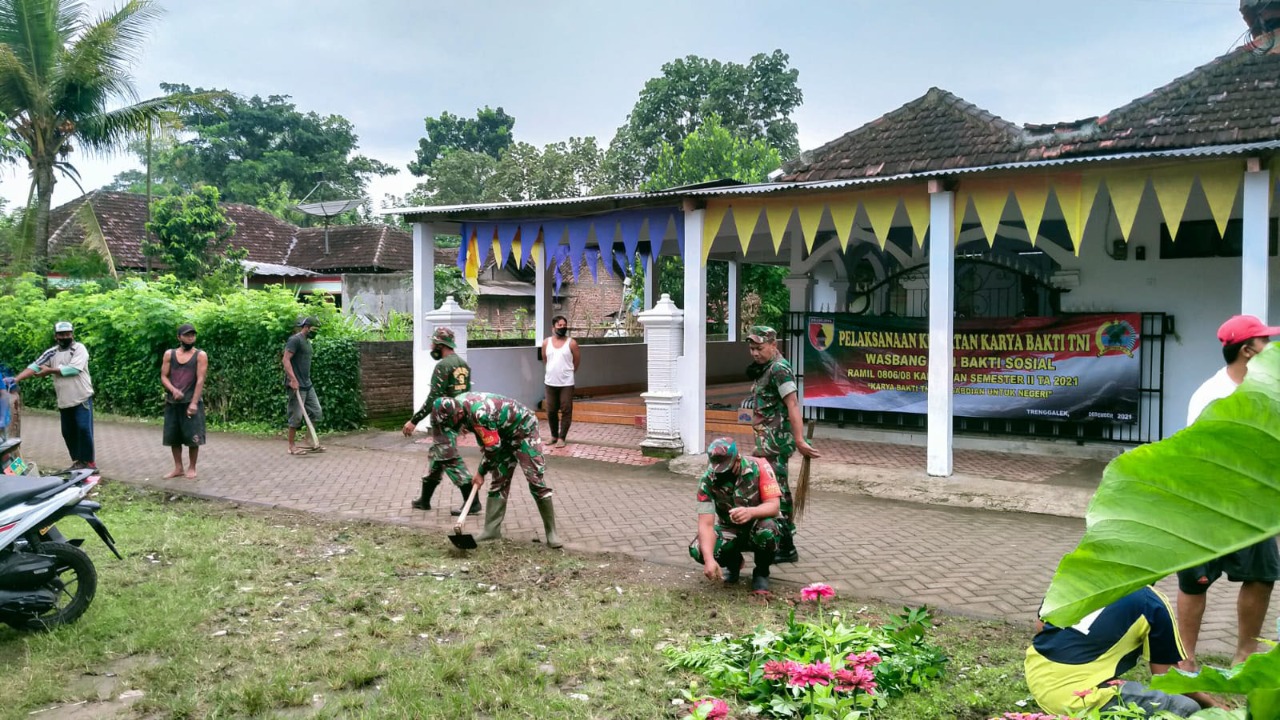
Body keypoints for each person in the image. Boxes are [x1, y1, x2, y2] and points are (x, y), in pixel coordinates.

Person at [1176, 314, 1280, 669]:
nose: (1272, 346)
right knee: (1195, 581)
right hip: (1208, 501)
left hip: (1253, 502)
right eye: (1266, 340)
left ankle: (1244, 653)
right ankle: (1186, 658)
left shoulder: (1268, 388)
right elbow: (1198, 454)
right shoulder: (1213, 394)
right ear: (1249, 350)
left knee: (1262, 575)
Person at [1025, 587, 1225, 717]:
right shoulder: (1151, 602)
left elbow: (1041, 626)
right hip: (1077, 699)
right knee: (1187, 708)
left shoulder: (1078, 575)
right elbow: (1168, 679)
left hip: (1036, 675)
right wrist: (1213, 705)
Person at [430, 392, 562, 548]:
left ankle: (551, 533)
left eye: (451, 423)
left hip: (524, 430)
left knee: (535, 480)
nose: (451, 427)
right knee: (499, 479)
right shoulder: (458, 405)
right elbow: (487, 437)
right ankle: (491, 530)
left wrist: (480, 472)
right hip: (502, 434)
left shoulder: (479, 412)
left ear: (458, 413)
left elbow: (492, 448)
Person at [745, 325, 820, 564]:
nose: (755, 353)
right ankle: (775, 539)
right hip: (765, 440)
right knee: (770, 489)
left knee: (777, 492)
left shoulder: (779, 369)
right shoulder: (765, 367)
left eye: (759, 348)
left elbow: (793, 404)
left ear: (773, 345)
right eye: (751, 348)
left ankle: (786, 545)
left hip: (775, 442)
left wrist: (799, 440)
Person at [690, 438, 783, 594]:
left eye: (726, 467)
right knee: (697, 548)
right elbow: (706, 525)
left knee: (768, 531)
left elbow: (774, 506)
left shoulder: (760, 466)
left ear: (737, 459)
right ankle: (734, 564)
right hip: (730, 529)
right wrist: (709, 559)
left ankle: (761, 572)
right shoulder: (707, 480)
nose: (722, 472)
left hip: (758, 526)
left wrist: (750, 512)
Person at [402, 326, 475, 515]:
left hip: (443, 418)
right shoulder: (463, 364)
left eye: (433, 342)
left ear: (440, 344)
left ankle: (472, 502)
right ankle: (424, 500)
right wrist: (465, 421)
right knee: (438, 457)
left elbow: (434, 397)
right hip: (457, 416)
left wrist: (414, 420)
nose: (431, 346)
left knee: (449, 458)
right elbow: (466, 395)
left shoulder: (443, 366)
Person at [10, 321, 95, 470]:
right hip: (64, 400)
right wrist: (16, 379)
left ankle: (89, 462)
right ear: (56, 336)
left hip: (82, 397)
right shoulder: (52, 352)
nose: (65, 337)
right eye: (61, 334)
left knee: (83, 429)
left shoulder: (79, 349)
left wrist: (49, 371)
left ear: (72, 334)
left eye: (68, 334)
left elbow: (73, 370)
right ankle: (78, 461)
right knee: (68, 432)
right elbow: (35, 366)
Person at [160, 323, 207, 479]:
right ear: (179, 337)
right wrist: (173, 390)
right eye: (187, 335)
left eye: (193, 335)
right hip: (172, 403)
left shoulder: (200, 355)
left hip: (191, 402)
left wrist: (194, 403)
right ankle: (178, 468)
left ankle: (192, 467)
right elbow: (164, 376)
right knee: (174, 437)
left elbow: (200, 380)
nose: (190, 337)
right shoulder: (169, 354)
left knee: (193, 438)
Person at [283, 316, 323, 455]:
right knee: (296, 416)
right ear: (306, 327)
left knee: (317, 412)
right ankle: (291, 446)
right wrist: (293, 380)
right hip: (296, 385)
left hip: (307, 384)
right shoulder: (295, 340)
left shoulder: (307, 341)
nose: (315, 331)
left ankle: (308, 440)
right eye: (314, 329)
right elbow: (286, 360)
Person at [540, 314, 579, 448]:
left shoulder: (572, 343)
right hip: (550, 382)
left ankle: (562, 437)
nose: (562, 328)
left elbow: (576, 361)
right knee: (551, 410)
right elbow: (545, 359)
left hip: (566, 383)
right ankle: (553, 436)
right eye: (559, 325)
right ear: (553, 328)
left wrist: (568, 372)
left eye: (564, 325)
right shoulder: (546, 342)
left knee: (566, 410)